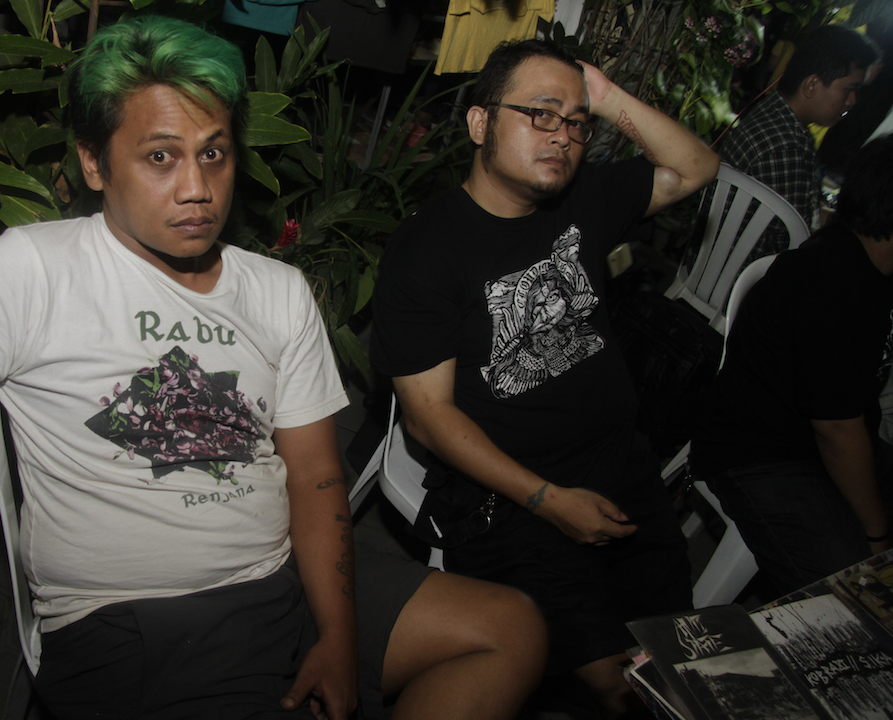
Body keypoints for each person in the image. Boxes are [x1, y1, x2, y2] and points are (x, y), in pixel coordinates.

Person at [0, 16, 548, 720]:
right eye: (160, 157)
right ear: (94, 163)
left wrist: (338, 637)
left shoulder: (276, 291)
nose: (198, 187)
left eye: (213, 153)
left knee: (510, 629)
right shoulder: (24, 273)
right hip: (140, 622)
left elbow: (315, 477)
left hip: (282, 573)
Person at [370, 38, 719, 715]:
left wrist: (604, 96)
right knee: (619, 684)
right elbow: (429, 417)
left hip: (622, 468)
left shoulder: (582, 198)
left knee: (676, 655)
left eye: (575, 122)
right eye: (540, 114)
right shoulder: (427, 251)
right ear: (480, 123)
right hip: (509, 498)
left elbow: (696, 167)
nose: (562, 135)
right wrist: (547, 500)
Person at [691, 134, 893, 599]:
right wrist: (877, 533)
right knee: (855, 591)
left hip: (810, 442)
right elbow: (837, 429)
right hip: (758, 455)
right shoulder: (836, 284)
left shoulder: (863, 260)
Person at [720, 25, 878, 260]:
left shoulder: (772, 111)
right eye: (849, 89)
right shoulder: (789, 148)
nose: (853, 100)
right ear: (811, 85)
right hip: (745, 273)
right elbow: (796, 242)